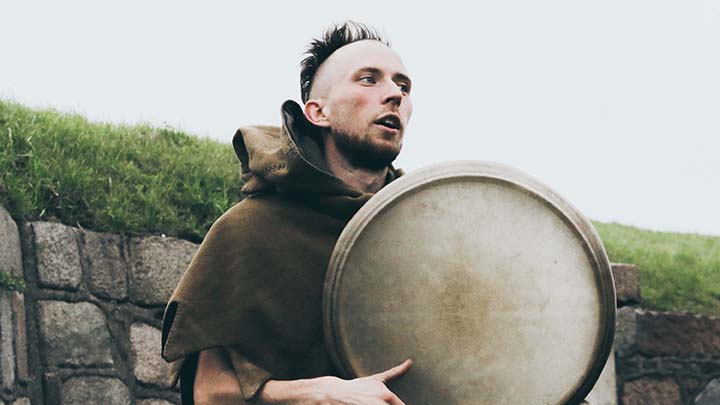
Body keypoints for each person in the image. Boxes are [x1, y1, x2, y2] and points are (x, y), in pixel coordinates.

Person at [161, 21, 414, 404]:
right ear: (318, 112)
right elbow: (209, 393)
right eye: (368, 80)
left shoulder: (423, 231)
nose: (394, 94)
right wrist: (318, 393)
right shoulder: (250, 231)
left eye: (403, 85)